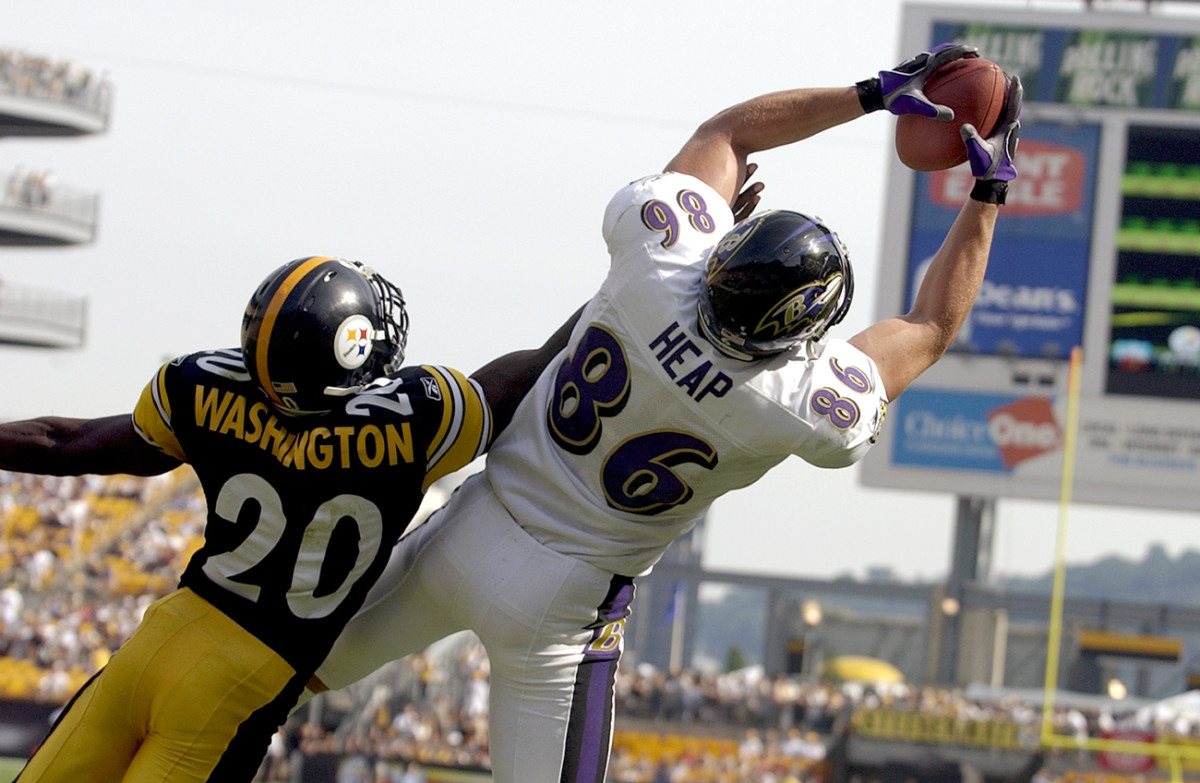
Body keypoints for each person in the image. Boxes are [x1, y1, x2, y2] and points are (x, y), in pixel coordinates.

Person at [310, 44, 1022, 783]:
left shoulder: (661, 255)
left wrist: (875, 92)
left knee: (282, 674)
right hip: (561, 609)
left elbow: (731, 133)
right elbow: (931, 326)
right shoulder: (795, 401)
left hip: (473, 522)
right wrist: (990, 186)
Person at [0, 255, 578, 783]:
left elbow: (63, 443)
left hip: (155, 645)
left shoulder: (203, 387)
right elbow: (530, 371)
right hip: (242, 684)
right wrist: (624, 293)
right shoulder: (414, 422)